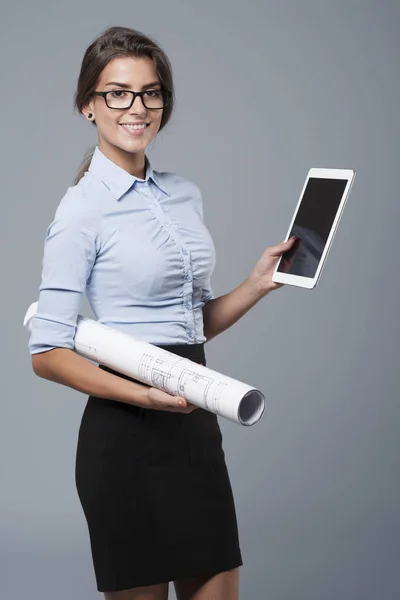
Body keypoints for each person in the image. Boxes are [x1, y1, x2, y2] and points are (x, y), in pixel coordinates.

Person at [28, 26, 296, 600]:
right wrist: (145, 396)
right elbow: (47, 355)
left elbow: (189, 324)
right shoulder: (81, 211)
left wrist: (256, 285)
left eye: (151, 93)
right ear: (88, 105)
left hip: (194, 418)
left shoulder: (182, 194)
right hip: (126, 434)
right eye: (117, 93)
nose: (137, 108)